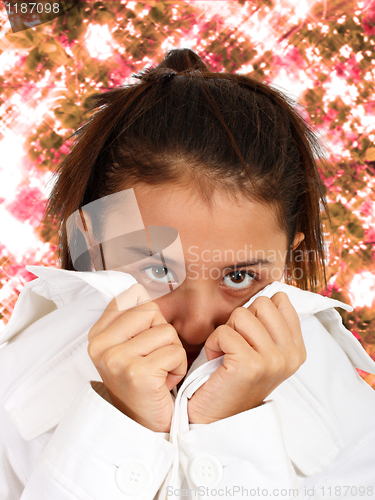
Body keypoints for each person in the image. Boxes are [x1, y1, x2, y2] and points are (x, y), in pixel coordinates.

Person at [0, 48, 374, 500]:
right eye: (157, 269)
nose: (197, 324)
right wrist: (121, 420)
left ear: (286, 258)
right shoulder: (17, 387)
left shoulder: (349, 412)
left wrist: (231, 426)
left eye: (239, 277)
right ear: (93, 242)